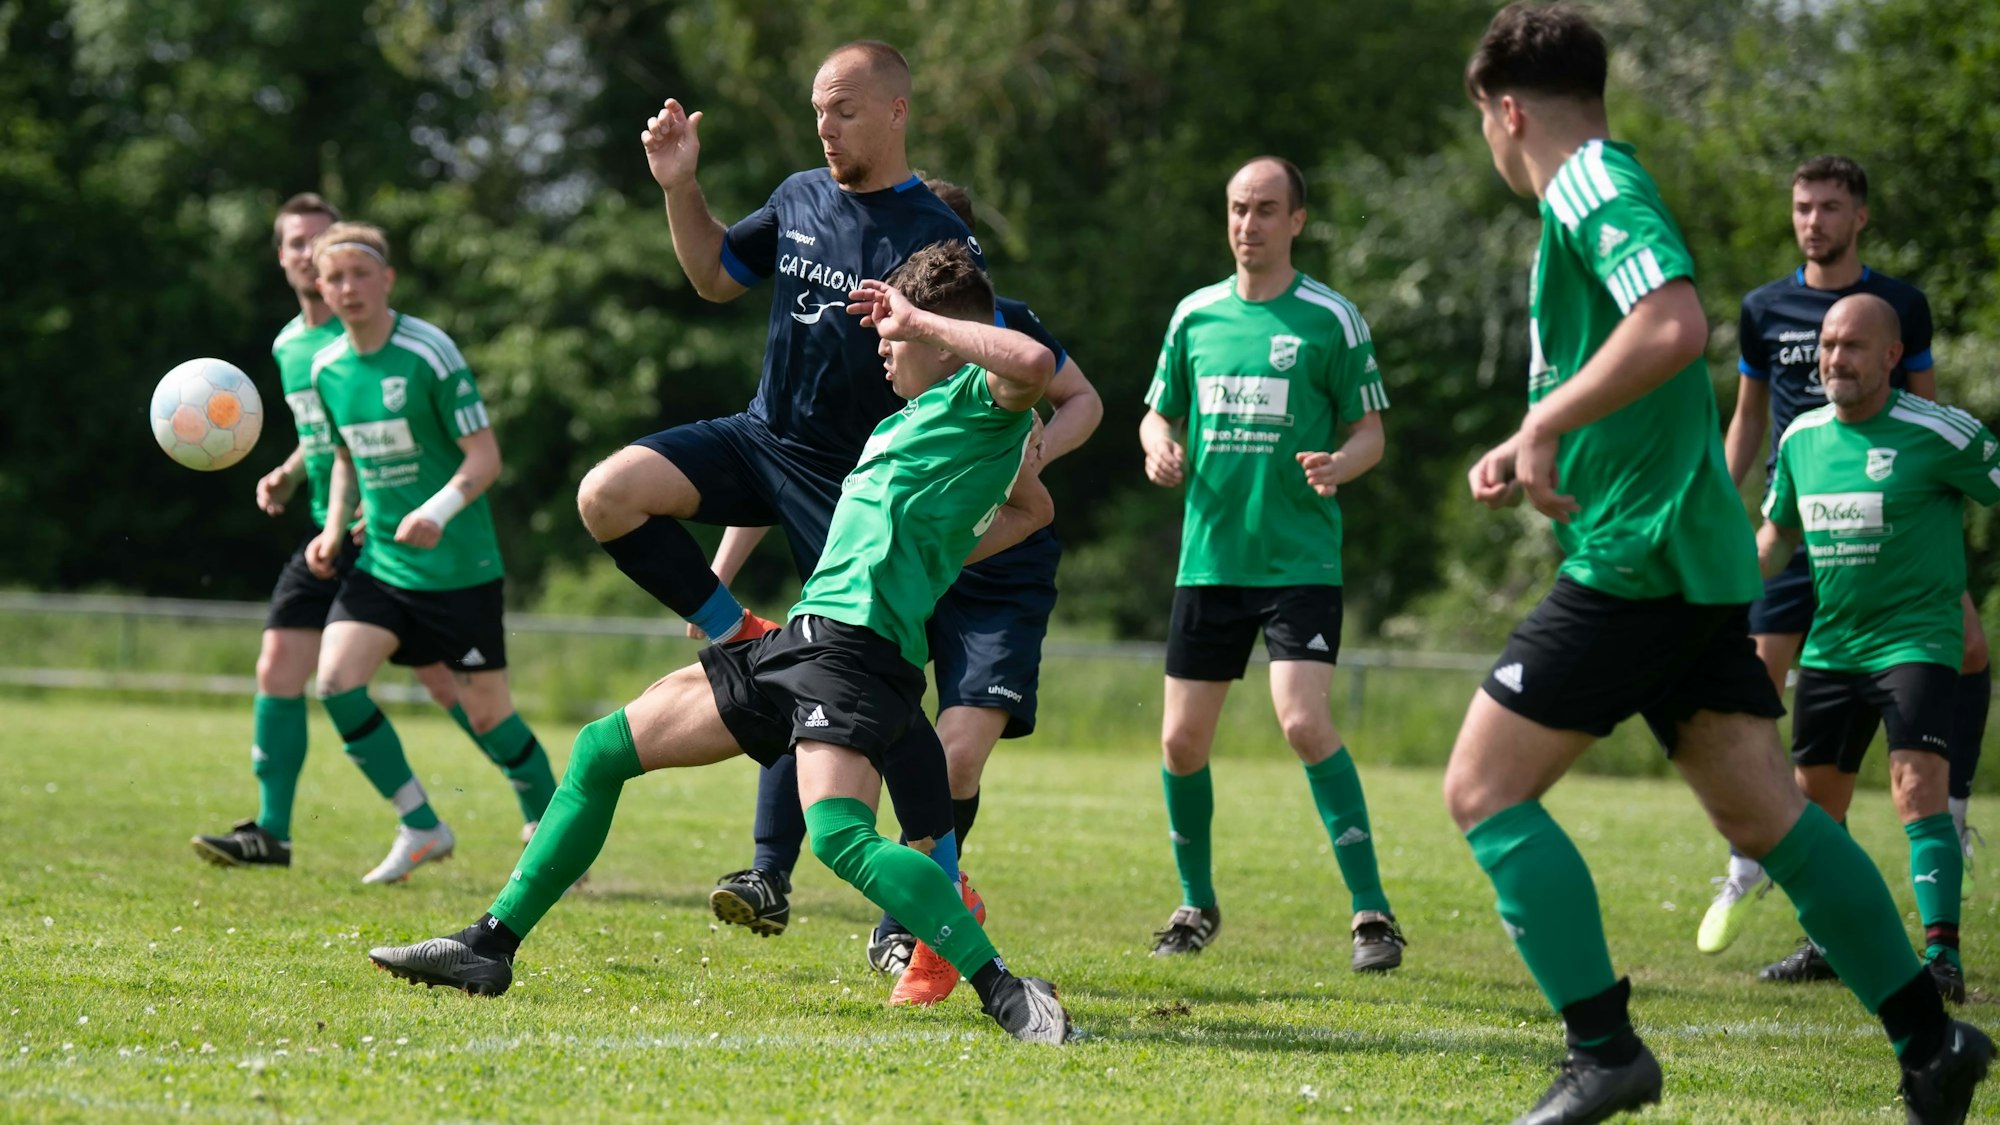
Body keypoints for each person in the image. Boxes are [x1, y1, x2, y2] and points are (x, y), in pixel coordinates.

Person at [1450, 6, 1988, 1122]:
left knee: (1483, 790)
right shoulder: (1597, 184)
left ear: (1506, 113)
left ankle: (1602, 1051)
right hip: (1690, 561)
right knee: (1769, 817)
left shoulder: (1588, 184)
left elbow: (1672, 325)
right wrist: (1535, 439)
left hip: (1638, 559)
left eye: (1486, 129)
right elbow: (1638, 358)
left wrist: (1545, 421)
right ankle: (1931, 1045)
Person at [367, 243, 1072, 1044]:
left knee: (840, 837)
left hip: (856, 651)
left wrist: (919, 321)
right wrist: (943, 542)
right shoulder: (925, 417)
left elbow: (1035, 362)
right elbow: (1031, 508)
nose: (881, 345)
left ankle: (1005, 990)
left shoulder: (985, 397)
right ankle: (489, 946)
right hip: (803, 637)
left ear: (943, 335)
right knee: (602, 750)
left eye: (894, 334)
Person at [586, 43, 983, 941]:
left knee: (859, 697)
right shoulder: (801, 193)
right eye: (817, 110)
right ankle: (738, 631)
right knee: (607, 493)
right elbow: (714, 276)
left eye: (843, 109)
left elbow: (982, 362)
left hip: (855, 487)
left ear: (896, 111)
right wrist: (679, 185)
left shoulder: (939, 233)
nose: (825, 126)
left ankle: (927, 890)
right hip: (760, 438)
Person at [700, 176, 1104, 1006]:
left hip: (995, 585)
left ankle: (929, 924)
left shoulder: (990, 341)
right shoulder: (900, 393)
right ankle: (796, 878)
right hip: (901, 580)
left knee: (940, 753)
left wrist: (1023, 459)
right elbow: (786, 470)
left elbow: (1067, 406)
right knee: (815, 693)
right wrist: (724, 573)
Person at [1699, 155, 1992, 958]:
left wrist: (1922, 478)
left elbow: (1945, 434)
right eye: (1802, 206)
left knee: (1922, 762)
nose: (1813, 220)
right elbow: (1754, 447)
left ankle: (1942, 928)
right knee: (1789, 766)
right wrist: (1712, 556)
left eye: (1830, 206)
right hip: (1820, 569)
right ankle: (1778, 890)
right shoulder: (1774, 342)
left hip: (1904, 580)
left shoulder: (1911, 342)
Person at [1137, 156, 1403, 972]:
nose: (1247, 224)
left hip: (1299, 561)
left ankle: (1372, 913)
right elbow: (1156, 413)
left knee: (1302, 720)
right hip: (1210, 560)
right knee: (1181, 742)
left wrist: (1340, 464)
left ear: (1297, 221)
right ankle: (1195, 902)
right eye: (1237, 208)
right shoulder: (1195, 316)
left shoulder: (1332, 319)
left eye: (1265, 210)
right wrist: (1160, 448)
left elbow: (1370, 432)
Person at [190, 195, 484, 870]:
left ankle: (543, 808)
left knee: (451, 686)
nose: (308, 253)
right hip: (327, 531)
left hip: (381, 533)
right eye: (297, 243)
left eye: (320, 241)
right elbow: (323, 436)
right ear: (288, 259)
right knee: (278, 667)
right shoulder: (290, 346)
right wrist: (290, 472)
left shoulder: (363, 333)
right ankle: (273, 830)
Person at [1754, 294, 1997, 1005]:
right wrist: (1717, 589)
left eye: (1853, 346)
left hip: (1917, 639)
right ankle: (1834, 941)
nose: (1835, 359)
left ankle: (1942, 957)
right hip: (1831, 648)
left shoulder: (1940, 432)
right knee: (1812, 810)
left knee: (1915, 787)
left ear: (1892, 356)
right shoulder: (1801, 438)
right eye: (1828, 345)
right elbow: (1775, 539)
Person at [301, 221, 558, 884]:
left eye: (361, 274)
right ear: (320, 289)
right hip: (383, 565)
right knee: (334, 682)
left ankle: (552, 828)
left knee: (487, 715)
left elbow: (485, 457)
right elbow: (343, 458)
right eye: (335, 278)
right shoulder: (326, 366)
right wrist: (334, 528)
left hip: (458, 570)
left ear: (387, 279)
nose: (348, 288)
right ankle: (420, 823)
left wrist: (436, 511)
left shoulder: (428, 352)